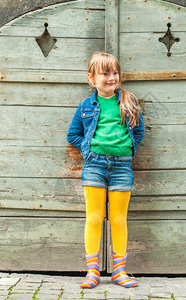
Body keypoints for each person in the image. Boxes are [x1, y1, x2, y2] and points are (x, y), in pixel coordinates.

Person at [66, 52, 145, 288]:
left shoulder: (128, 102)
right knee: (94, 217)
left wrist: (128, 148)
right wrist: (88, 149)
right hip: (94, 166)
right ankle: (93, 271)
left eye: (115, 73)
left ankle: (119, 271)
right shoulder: (85, 106)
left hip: (122, 167)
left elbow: (139, 132)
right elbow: (73, 134)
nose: (111, 78)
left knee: (119, 219)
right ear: (92, 79)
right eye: (105, 73)